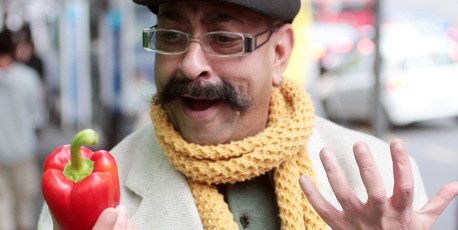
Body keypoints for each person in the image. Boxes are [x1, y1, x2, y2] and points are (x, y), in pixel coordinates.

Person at [38, 0, 458, 229]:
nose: (188, 65)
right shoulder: (87, 203)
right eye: (170, 35)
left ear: (279, 55)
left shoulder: (384, 185)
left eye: (223, 37)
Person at [0, 28, 45, 230]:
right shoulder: (28, 78)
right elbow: (39, 116)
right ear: (14, 48)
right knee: (25, 204)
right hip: (23, 151)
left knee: (3, 204)